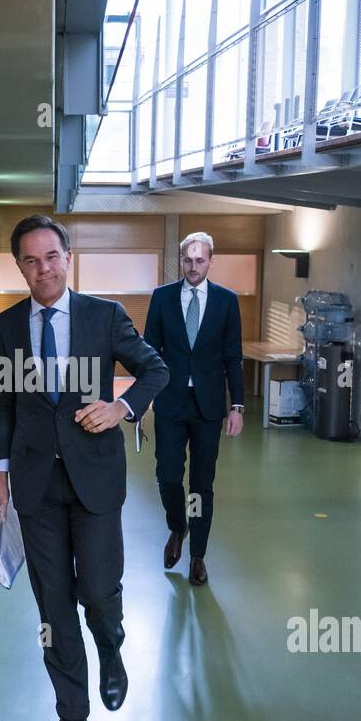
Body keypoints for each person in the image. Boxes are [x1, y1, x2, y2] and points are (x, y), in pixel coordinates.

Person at [0, 214, 168, 721]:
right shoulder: (7, 327)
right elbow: (7, 405)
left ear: (69, 257)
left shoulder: (104, 317)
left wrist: (120, 407)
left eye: (52, 257)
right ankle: (71, 715)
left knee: (99, 589)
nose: (44, 269)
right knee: (53, 604)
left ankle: (110, 647)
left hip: (95, 478)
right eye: (31, 261)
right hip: (35, 485)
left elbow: (154, 371)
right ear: (20, 266)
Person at [142, 232, 245, 586]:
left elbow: (233, 356)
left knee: (202, 484)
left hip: (208, 407)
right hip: (170, 401)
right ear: (180, 260)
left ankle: (198, 554)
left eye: (200, 260)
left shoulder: (227, 302)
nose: (193, 266)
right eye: (188, 260)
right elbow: (148, 353)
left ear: (211, 261)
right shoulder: (162, 298)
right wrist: (139, 400)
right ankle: (177, 526)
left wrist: (237, 406)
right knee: (168, 475)